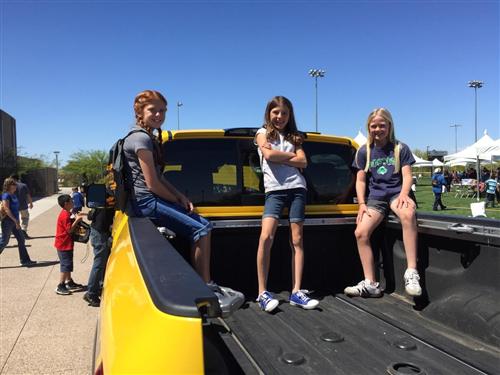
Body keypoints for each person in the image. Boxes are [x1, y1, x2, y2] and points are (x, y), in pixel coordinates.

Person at [123, 90, 243, 311]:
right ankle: (205, 285)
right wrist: (176, 200)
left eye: (162, 110)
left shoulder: (146, 135)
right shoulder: (140, 138)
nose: (159, 114)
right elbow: (152, 185)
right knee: (202, 229)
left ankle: (205, 283)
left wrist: (180, 195)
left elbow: (160, 177)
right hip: (146, 202)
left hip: (148, 199)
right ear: (139, 111)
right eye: (153, 110)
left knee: (202, 225)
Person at [344, 108, 422, 298]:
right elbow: (361, 180)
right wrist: (362, 204)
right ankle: (370, 283)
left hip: (396, 193)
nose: (377, 129)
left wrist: (405, 194)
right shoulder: (364, 151)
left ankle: (411, 272)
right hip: (376, 198)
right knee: (360, 232)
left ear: (389, 126)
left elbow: (407, 176)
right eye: (373, 126)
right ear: (368, 127)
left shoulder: (400, 148)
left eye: (382, 125)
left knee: (408, 214)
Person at [254, 96, 319, 312]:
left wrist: (281, 156)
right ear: (268, 113)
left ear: (290, 115)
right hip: (274, 192)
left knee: (297, 240)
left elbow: (304, 162)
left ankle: (296, 292)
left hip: (297, 190)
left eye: (284, 113)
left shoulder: (294, 137)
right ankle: (262, 292)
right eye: (276, 112)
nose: (280, 117)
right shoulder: (262, 133)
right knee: (266, 236)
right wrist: (289, 156)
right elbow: (269, 154)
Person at [83, 194, 115, 307]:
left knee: (102, 262)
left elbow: (90, 216)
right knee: (99, 263)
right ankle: (91, 293)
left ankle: (99, 287)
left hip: (99, 231)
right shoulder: (111, 198)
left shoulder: (104, 197)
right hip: (100, 233)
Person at [0, 177, 36, 266]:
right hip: (8, 222)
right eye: (13, 184)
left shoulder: (14, 195)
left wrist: (17, 220)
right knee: (4, 241)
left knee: (21, 239)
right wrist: (15, 220)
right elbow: (6, 208)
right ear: (8, 185)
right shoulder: (6, 195)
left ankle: (25, 260)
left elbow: (16, 208)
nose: (15, 186)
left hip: (15, 221)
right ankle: (25, 260)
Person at [54, 194, 85, 295]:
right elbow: (69, 230)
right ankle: (60, 285)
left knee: (68, 263)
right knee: (65, 265)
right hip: (63, 244)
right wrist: (77, 220)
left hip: (66, 243)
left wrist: (76, 216)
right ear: (66, 204)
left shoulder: (67, 212)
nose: (73, 202)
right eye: (71, 201)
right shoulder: (65, 215)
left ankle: (69, 281)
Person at [10, 174, 34, 239]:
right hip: (23, 206)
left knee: (15, 219)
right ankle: (23, 230)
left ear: (13, 179)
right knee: (25, 218)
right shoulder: (23, 185)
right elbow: (28, 195)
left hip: (14, 206)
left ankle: (15, 231)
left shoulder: (10, 186)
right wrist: (31, 203)